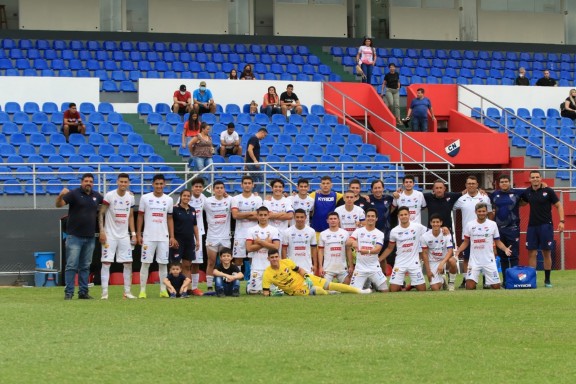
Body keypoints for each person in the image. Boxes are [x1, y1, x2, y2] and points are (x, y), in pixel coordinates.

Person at [56, 173, 103, 300]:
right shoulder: (74, 194)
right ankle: (69, 293)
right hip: (74, 237)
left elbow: (108, 202)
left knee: (85, 266)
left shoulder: (96, 196)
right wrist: (60, 195)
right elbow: (58, 205)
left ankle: (83, 292)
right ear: (82, 182)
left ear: (93, 183)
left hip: (89, 237)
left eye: (91, 181)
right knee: (71, 265)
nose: (88, 183)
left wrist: (129, 195)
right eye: (86, 181)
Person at [520, 170, 565, 288]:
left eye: (537, 177)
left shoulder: (548, 191)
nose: (535, 179)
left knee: (546, 252)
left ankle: (547, 280)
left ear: (541, 178)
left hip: (546, 226)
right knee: (532, 253)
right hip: (532, 226)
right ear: (530, 179)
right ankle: (531, 280)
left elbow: (559, 205)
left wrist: (562, 221)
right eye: (533, 177)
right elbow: (521, 202)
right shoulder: (527, 192)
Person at [262, 249, 371, 296]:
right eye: (272, 257)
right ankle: (329, 293)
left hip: (306, 279)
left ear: (279, 257)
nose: (275, 259)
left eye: (276, 257)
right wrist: (274, 294)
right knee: (317, 290)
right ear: (268, 259)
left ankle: (359, 291)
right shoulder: (267, 274)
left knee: (330, 284)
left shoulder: (286, 262)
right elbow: (266, 292)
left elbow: (299, 270)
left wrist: (307, 277)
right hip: (297, 290)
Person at [454, 203, 512, 290]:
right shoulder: (470, 224)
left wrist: (505, 249)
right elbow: (466, 242)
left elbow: (498, 241)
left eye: (483, 211)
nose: (481, 213)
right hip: (474, 261)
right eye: (479, 211)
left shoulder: (492, 224)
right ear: (475, 212)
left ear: (487, 212)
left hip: (489, 260)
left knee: (496, 287)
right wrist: (458, 251)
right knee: (469, 287)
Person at [98, 173, 136, 300]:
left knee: (128, 263)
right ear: (117, 182)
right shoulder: (110, 195)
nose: (123, 184)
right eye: (121, 182)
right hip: (110, 235)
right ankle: (104, 293)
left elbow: (131, 216)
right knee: (106, 262)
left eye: (126, 182)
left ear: (128, 183)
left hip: (124, 235)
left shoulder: (130, 197)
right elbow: (101, 213)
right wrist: (102, 231)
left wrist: (134, 234)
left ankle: (127, 292)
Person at [136, 174, 176, 299]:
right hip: (148, 236)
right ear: (153, 184)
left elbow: (170, 218)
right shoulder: (145, 198)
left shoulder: (169, 200)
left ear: (164, 185)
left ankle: (163, 290)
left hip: (163, 237)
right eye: (157, 184)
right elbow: (140, 216)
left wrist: (172, 236)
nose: (159, 186)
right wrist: (138, 233)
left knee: (163, 264)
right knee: (145, 263)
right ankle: (142, 291)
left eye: (161, 184)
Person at [453, 175, 493, 288]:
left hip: (484, 234)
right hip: (468, 235)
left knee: (485, 257)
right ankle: (466, 279)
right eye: (469, 183)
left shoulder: (484, 197)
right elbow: (452, 208)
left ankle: (487, 281)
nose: (471, 185)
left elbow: (490, 213)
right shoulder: (461, 199)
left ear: (477, 185)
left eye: (473, 183)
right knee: (467, 258)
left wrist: (491, 229)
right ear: (466, 185)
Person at [380, 206, 428, 292]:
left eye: (405, 214)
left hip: (414, 262)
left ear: (409, 215)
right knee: (393, 290)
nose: (404, 216)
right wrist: (379, 259)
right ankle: (403, 286)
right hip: (400, 262)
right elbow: (390, 248)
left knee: (422, 290)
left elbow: (430, 232)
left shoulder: (417, 227)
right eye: (401, 215)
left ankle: (411, 285)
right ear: (398, 216)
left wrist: (443, 229)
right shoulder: (394, 231)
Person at [490, 174, 524, 286]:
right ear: (499, 184)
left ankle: (514, 280)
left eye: (506, 181)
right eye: (502, 182)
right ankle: (505, 281)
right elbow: (484, 197)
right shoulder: (495, 194)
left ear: (509, 182)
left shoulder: (517, 193)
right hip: (499, 230)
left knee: (513, 255)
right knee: (503, 256)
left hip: (513, 229)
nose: (504, 183)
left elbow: (530, 194)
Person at [347, 208, 388, 292]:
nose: (370, 218)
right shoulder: (358, 231)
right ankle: (369, 287)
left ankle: (371, 285)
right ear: (365, 218)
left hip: (374, 267)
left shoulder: (379, 234)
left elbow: (377, 250)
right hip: (360, 268)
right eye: (368, 216)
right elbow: (347, 243)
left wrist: (366, 251)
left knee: (385, 291)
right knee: (353, 292)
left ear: (376, 218)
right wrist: (353, 242)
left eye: (373, 216)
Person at [203, 180, 232, 292]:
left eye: (221, 188)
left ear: (224, 189)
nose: (219, 190)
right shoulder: (207, 201)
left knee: (226, 262)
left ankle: (226, 284)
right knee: (211, 261)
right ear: (213, 190)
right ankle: (210, 286)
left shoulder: (229, 200)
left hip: (225, 237)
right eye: (217, 188)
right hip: (212, 237)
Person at [246, 206, 281, 294]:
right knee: (254, 292)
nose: (263, 217)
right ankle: (249, 285)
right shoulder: (251, 230)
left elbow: (276, 247)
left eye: (265, 215)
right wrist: (266, 243)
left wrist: (260, 242)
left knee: (273, 291)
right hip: (256, 266)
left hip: (270, 266)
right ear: (257, 216)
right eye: (260, 215)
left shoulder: (274, 230)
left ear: (268, 215)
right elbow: (249, 248)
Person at [171, 189, 200, 290]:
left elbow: (195, 226)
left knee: (187, 265)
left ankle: (186, 289)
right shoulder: (174, 209)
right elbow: (170, 224)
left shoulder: (192, 210)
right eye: (184, 196)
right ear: (180, 196)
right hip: (178, 241)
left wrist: (198, 240)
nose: (186, 198)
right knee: (175, 266)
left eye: (188, 196)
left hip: (189, 241)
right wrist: (172, 238)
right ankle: (174, 288)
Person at [231, 175, 262, 268]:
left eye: (249, 183)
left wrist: (242, 215)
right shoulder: (235, 199)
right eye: (245, 183)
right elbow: (235, 215)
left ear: (253, 185)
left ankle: (253, 280)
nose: (247, 185)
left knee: (253, 258)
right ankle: (237, 280)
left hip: (253, 233)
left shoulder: (258, 199)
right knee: (238, 259)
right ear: (241, 185)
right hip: (239, 233)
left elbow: (259, 216)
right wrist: (252, 213)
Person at [420, 214, 457, 291]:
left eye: (437, 222)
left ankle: (451, 283)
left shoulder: (446, 233)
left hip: (444, 261)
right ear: (430, 223)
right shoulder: (425, 236)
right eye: (433, 222)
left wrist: (442, 263)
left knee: (453, 261)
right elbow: (425, 254)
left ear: (441, 223)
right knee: (435, 288)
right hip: (432, 262)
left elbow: (450, 251)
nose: (435, 224)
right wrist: (428, 271)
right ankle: (443, 280)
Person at [317, 212, 352, 283]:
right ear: (327, 221)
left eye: (335, 219)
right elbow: (320, 251)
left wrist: (350, 265)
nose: (333, 220)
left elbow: (348, 250)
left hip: (342, 268)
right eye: (331, 219)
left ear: (338, 220)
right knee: (325, 287)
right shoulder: (323, 234)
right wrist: (320, 267)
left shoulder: (345, 233)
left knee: (348, 285)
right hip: (328, 269)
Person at [282, 209, 317, 274]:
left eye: (301, 217)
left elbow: (314, 249)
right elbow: (284, 249)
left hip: (307, 266)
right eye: (297, 217)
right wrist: (285, 264)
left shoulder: (311, 231)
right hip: (292, 266)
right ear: (294, 217)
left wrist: (315, 264)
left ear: (305, 217)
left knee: (308, 284)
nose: (299, 219)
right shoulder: (287, 231)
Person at [188, 177, 207, 295]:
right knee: (185, 262)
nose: (198, 188)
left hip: (198, 233)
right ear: (192, 188)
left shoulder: (204, 198)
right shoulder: (185, 197)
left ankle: (194, 287)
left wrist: (225, 195)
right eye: (196, 186)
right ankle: (185, 286)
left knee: (196, 262)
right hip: (185, 233)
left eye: (200, 186)